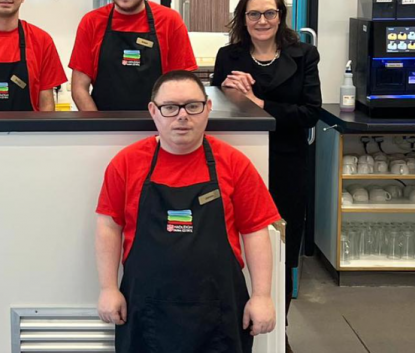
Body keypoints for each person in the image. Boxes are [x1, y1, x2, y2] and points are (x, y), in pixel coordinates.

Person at [95, 70, 280, 353]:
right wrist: (108, 288)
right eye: (170, 107)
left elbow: (255, 231)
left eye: (192, 106)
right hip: (145, 311)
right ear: (153, 111)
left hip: (220, 314)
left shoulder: (234, 163)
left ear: (208, 108)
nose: (182, 116)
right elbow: (108, 227)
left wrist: (262, 296)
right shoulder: (126, 164)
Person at [211, 0, 322, 349]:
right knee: (234, 244)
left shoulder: (303, 55)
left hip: (288, 164)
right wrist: (229, 92)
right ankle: (233, 322)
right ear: (243, 18)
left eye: (269, 13)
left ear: (280, 16)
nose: (262, 21)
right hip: (240, 164)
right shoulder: (229, 56)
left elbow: (310, 112)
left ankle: (278, 331)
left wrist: (259, 103)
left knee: (282, 247)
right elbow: (214, 109)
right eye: (254, 14)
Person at [69, 0, 197, 111]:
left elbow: (183, 85)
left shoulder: (170, 21)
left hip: (157, 122)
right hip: (103, 122)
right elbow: (79, 88)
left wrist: (166, 122)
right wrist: (98, 124)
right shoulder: (91, 22)